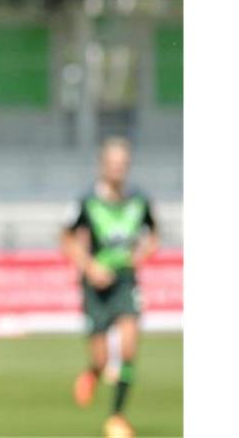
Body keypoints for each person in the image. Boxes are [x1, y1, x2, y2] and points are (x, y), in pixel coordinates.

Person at [62, 137, 159, 438]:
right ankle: (93, 372)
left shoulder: (140, 200)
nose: (118, 168)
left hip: (125, 281)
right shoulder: (86, 201)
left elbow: (153, 236)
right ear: (103, 166)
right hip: (95, 285)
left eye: (122, 163)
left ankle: (116, 417)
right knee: (104, 360)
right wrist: (90, 267)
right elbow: (66, 238)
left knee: (129, 347)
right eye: (112, 163)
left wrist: (139, 256)